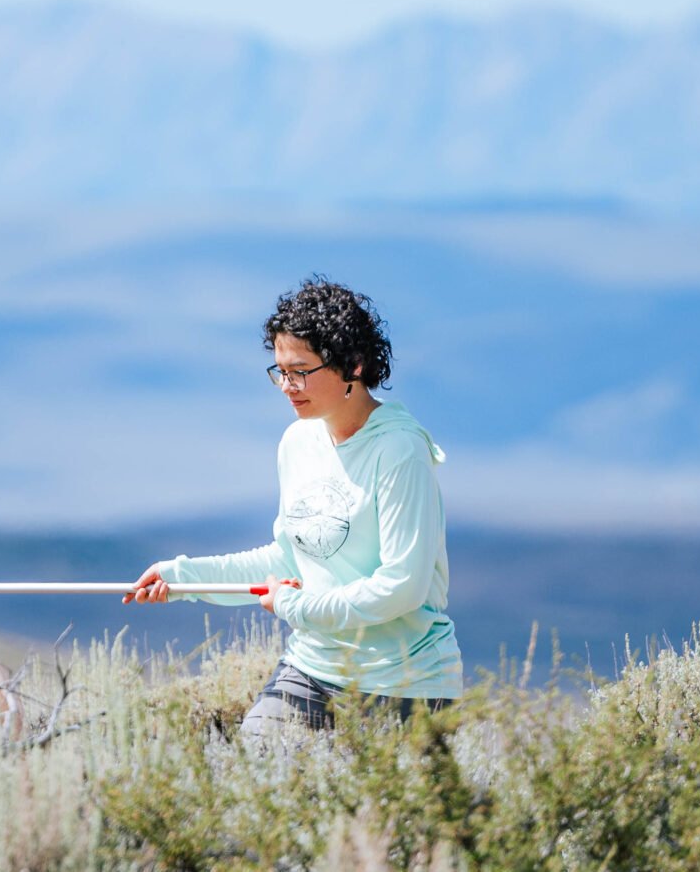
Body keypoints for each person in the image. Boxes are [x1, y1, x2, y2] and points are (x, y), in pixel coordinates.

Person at [125, 277, 462, 738]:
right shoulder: (297, 441)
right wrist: (181, 578)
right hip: (312, 668)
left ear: (354, 366)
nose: (287, 385)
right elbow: (288, 560)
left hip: (404, 682)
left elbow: (402, 586)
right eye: (280, 371)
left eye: (301, 371)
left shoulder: (401, 449)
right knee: (251, 779)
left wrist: (296, 607)